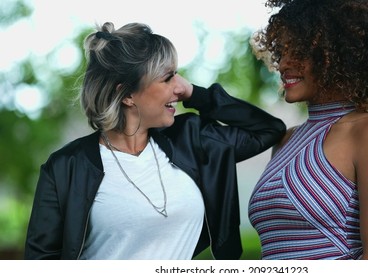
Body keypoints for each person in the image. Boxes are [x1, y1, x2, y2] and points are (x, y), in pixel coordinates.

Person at [24, 21, 286, 260]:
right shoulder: (65, 167)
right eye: (167, 77)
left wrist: (196, 94)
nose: (178, 85)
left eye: (177, 75)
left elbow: (267, 129)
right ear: (127, 94)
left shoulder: (193, 140)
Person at [248, 0, 368, 260]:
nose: (282, 64)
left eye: (299, 52)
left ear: (337, 54)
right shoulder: (285, 139)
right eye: (282, 51)